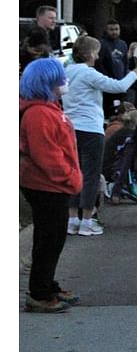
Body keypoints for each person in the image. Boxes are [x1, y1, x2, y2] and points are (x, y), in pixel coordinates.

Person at [62, 36, 137, 236]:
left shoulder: (66, 72)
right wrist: (134, 73)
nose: (99, 55)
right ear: (89, 54)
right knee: (90, 175)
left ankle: (72, 219)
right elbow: (118, 86)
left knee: (74, 172)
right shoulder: (88, 73)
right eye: (96, 52)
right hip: (90, 128)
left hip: (71, 128)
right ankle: (87, 220)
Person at [20, 58, 83, 313]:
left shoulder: (45, 108)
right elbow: (47, 155)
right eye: (60, 77)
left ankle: (46, 284)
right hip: (47, 184)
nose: (64, 81)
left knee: (51, 238)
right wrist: (71, 177)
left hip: (48, 182)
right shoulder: (39, 113)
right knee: (49, 238)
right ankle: (40, 292)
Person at [95, 19, 130, 119]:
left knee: (120, 109)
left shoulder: (123, 44)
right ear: (106, 30)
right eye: (111, 29)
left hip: (121, 82)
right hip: (107, 83)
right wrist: (107, 78)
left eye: (116, 29)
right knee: (109, 110)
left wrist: (125, 78)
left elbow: (125, 62)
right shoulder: (102, 44)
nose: (114, 32)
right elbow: (99, 64)